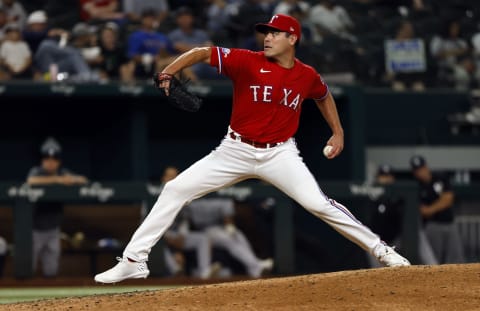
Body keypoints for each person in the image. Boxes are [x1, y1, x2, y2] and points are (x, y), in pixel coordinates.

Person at [94, 13, 410, 284]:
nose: (267, 37)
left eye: (274, 33)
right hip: (235, 150)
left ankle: (384, 252)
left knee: (320, 205)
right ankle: (134, 261)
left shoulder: (306, 75)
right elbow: (204, 52)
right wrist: (167, 72)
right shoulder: (247, 61)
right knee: (175, 189)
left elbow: (323, 95)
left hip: (280, 154)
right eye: (266, 32)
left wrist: (338, 132)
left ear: (292, 38)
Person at [27, 137, 88, 278]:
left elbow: (83, 180)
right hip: (34, 229)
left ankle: (49, 301)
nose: (50, 162)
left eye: (54, 159)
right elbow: (31, 181)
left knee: (51, 270)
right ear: (42, 160)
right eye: (47, 159)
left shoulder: (63, 172)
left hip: (53, 229)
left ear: (58, 162)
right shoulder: (37, 172)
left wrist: (71, 179)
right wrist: (57, 180)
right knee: (28, 269)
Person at [366, 164, 437, 268]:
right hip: (378, 240)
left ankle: (434, 268)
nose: (386, 180)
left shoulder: (400, 195)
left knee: (418, 234)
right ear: (378, 178)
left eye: (389, 176)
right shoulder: (370, 195)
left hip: (397, 239)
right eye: (383, 176)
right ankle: (377, 279)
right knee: (366, 241)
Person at [184, 196, 273, 278]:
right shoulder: (194, 197)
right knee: (228, 239)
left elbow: (229, 223)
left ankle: (255, 266)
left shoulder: (222, 196)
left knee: (238, 234)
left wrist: (231, 230)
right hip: (205, 230)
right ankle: (255, 266)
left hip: (218, 227)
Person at [158, 166, 221, 279]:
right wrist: (168, 239)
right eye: (170, 176)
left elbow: (185, 220)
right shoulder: (155, 196)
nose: (173, 179)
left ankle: (204, 272)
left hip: (177, 235)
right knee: (157, 243)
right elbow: (148, 224)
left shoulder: (182, 195)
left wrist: (182, 235)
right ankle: (176, 270)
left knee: (202, 238)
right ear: (163, 179)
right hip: (160, 236)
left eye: (175, 176)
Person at [410, 155, 465, 264]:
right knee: (434, 260)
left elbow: (448, 198)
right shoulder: (417, 186)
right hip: (432, 226)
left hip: (449, 223)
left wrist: (432, 208)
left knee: (456, 257)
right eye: (417, 170)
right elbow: (423, 211)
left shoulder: (439, 178)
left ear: (426, 167)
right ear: (414, 172)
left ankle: (456, 280)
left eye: (421, 168)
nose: (420, 172)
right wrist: (439, 204)